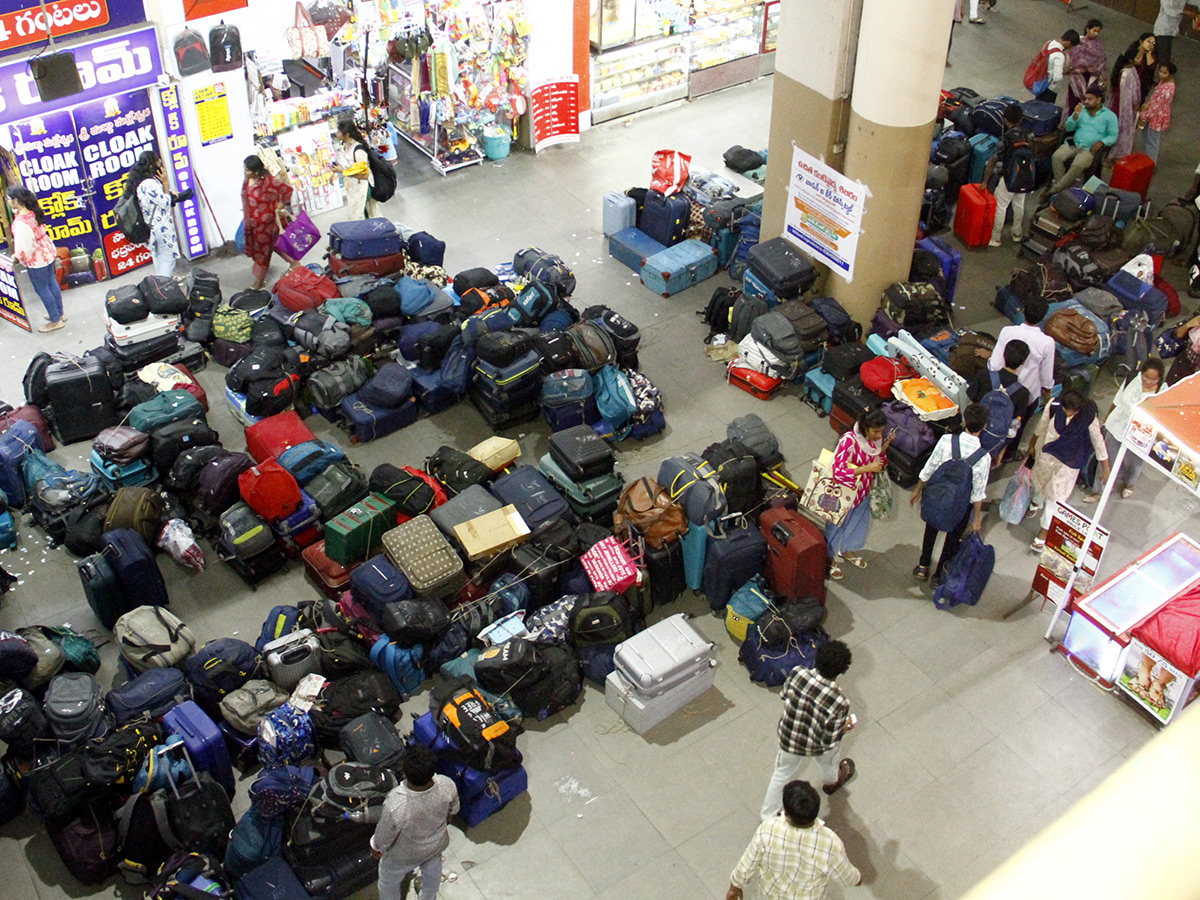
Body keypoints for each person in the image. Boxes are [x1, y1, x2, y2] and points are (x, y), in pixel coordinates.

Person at [760, 640, 857, 821]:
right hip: (818, 745)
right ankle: (832, 782)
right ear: (842, 670)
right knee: (829, 763)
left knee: (781, 774)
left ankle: (768, 816)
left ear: (817, 657)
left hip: (790, 738)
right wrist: (845, 727)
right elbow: (830, 738)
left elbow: (785, 695)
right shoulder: (840, 701)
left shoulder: (798, 673)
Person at [735, 781, 861, 900]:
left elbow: (747, 863)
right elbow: (848, 877)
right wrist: (856, 879)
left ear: (787, 812)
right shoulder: (830, 843)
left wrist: (735, 886)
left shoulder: (768, 829)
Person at [910, 404, 992, 586]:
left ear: (964, 420)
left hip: (936, 494)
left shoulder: (947, 440)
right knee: (952, 539)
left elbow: (930, 467)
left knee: (931, 529)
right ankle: (938, 576)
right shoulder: (983, 457)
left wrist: (918, 489)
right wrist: (977, 518)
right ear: (984, 426)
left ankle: (923, 566)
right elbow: (978, 493)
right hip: (961, 504)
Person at [1025, 390, 1110, 553]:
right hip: (1048, 455)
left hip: (1069, 462)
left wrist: (1105, 467)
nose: (1069, 413)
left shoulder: (1088, 416)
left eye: (1073, 411)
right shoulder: (1054, 405)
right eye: (1067, 410)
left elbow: (1098, 441)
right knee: (1040, 482)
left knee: (1055, 497)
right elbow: (1041, 427)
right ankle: (1036, 501)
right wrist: (1032, 444)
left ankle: (1044, 531)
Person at [371, 745, 459, 900]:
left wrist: (376, 846)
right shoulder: (446, 784)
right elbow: (454, 810)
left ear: (404, 773)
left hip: (404, 855)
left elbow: (383, 837)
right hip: (436, 845)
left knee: (388, 882)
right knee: (433, 872)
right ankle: (428, 897)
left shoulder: (397, 803)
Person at [826, 408, 893, 581]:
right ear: (865, 427)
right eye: (876, 431)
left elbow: (878, 460)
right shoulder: (849, 441)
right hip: (843, 494)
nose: (879, 436)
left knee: (857, 523)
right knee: (835, 526)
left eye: (881, 432)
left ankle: (847, 549)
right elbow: (837, 472)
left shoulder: (875, 442)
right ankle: (828, 557)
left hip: (863, 491)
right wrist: (866, 469)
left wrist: (885, 447)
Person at [1084, 358, 1163, 501]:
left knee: (1134, 462)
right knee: (1106, 458)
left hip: (1140, 434)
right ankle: (1098, 491)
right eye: (1146, 377)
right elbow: (1117, 400)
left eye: (1154, 380)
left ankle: (1129, 484)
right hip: (1118, 425)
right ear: (1142, 373)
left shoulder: (1163, 390)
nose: (1148, 382)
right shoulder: (1133, 379)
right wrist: (1107, 419)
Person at [988, 297, 1056, 451]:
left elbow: (995, 364)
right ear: (1044, 317)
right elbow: (1046, 376)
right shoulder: (1047, 343)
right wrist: (1047, 392)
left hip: (999, 386)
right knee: (1017, 426)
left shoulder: (1008, 331)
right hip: (1026, 394)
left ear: (1023, 312)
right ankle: (1008, 453)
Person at [6, 186, 65, 332]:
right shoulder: (33, 211)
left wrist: (17, 257)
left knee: (42, 288)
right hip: (47, 251)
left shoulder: (20, 223)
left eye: (8, 199)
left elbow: (25, 247)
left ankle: (55, 320)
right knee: (52, 282)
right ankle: (59, 313)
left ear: (16, 200)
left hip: (36, 259)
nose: (6, 201)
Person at [969, 339, 1030, 466]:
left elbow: (970, 406)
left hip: (972, 434)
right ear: (1023, 362)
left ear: (1003, 355)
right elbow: (1014, 426)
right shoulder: (1023, 393)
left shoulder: (983, 375)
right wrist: (999, 455)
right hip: (993, 444)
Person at [1048, 86, 1119, 195]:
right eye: (1085, 99)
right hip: (1074, 144)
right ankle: (1061, 189)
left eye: (1090, 99)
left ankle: (1054, 190)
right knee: (1056, 157)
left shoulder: (1109, 116)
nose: (1086, 102)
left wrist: (1102, 142)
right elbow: (1068, 128)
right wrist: (1075, 116)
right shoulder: (1081, 111)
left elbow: (1113, 136)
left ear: (1098, 100)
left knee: (1077, 166)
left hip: (1089, 149)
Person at [984, 105, 1036, 247]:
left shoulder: (1006, 139)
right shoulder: (1027, 134)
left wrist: (984, 182)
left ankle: (995, 238)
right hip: (1025, 175)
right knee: (1019, 204)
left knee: (1001, 206)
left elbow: (993, 161)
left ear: (1005, 120)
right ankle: (1017, 234)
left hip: (1009, 177)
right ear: (1021, 120)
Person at [241, 155, 293, 289]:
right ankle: (295, 264)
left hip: (267, 224)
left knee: (262, 253)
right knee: (275, 245)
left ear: (256, 171)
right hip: (253, 222)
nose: (245, 172)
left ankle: (258, 282)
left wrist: (279, 208)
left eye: (247, 170)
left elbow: (287, 190)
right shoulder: (247, 181)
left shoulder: (269, 181)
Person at [127, 151, 182, 278]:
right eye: (158, 162)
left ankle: (160, 286)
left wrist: (165, 187)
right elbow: (165, 202)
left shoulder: (140, 183)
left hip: (151, 227)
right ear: (152, 165)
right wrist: (167, 184)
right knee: (168, 259)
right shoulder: (149, 183)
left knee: (158, 258)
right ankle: (163, 289)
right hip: (161, 227)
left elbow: (160, 198)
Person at [1107, 34, 1157, 161]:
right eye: (1148, 41)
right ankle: (1110, 153)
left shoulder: (1148, 58)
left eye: (1153, 42)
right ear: (1141, 41)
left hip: (1138, 94)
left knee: (1129, 125)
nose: (1151, 44)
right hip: (1124, 97)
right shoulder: (1129, 60)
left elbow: (1151, 69)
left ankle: (1117, 153)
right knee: (1118, 122)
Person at [1061, 19, 1108, 125]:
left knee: (1085, 103)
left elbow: (1101, 62)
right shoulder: (1079, 42)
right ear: (1087, 29)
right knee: (1073, 102)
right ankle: (1069, 125)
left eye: (1098, 32)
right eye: (1094, 30)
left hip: (1089, 79)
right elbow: (1070, 57)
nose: (1095, 33)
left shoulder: (1098, 46)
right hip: (1076, 78)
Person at [336, 116, 376, 220]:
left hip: (362, 189)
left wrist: (344, 172)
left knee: (362, 216)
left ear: (347, 134)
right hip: (353, 189)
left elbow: (365, 175)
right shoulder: (344, 146)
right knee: (357, 215)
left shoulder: (358, 150)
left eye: (339, 132)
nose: (337, 134)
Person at [1137, 62, 1176, 163]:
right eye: (1160, 71)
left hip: (1155, 118)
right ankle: (1146, 160)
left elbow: (1156, 106)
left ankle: (1150, 163)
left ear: (1170, 74)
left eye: (1164, 73)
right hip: (1154, 114)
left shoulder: (1167, 90)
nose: (1161, 74)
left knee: (1152, 141)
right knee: (1147, 138)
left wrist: (1143, 115)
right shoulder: (1164, 82)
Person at [1027, 30, 1078, 104]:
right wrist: (1065, 71)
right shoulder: (1059, 55)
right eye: (1071, 46)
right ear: (1068, 43)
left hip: (1040, 82)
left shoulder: (1049, 43)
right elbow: (1057, 78)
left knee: (1037, 105)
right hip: (1050, 89)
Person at [1154, 312, 1200, 385]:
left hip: (1196, 375)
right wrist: (1189, 324)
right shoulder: (1197, 319)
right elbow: (1176, 335)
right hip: (1182, 364)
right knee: (1170, 388)